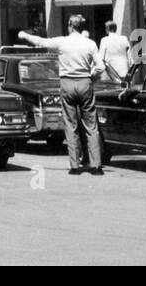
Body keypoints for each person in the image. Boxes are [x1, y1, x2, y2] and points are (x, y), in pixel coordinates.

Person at [19, 15, 106, 175]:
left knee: (70, 124)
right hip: (85, 82)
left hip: (67, 83)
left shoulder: (62, 42)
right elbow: (101, 66)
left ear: (70, 26)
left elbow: (40, 41)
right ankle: (96, 165)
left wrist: (25, 35)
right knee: (91, 125)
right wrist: (91, 76)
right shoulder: (90, 43)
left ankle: (74, 166)